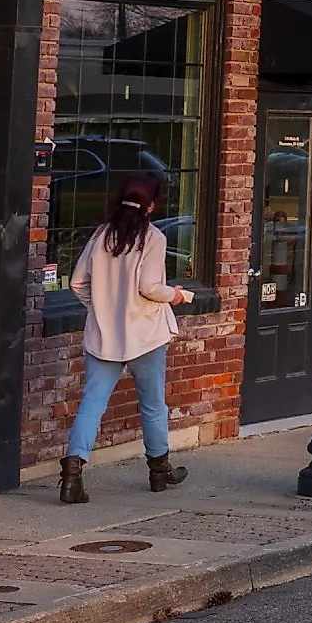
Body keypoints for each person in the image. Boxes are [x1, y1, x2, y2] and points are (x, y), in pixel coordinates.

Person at [59, 172, 193, 504]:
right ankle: (159, 471)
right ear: (151, 204)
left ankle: (73, 472)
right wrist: (174, 295)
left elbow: (77, 283)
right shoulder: (154, 238)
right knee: (152, 405)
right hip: (145, 334)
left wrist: (101, 308)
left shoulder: (101, 234)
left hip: (103, 335)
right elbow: (149, 286)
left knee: (92, 403)